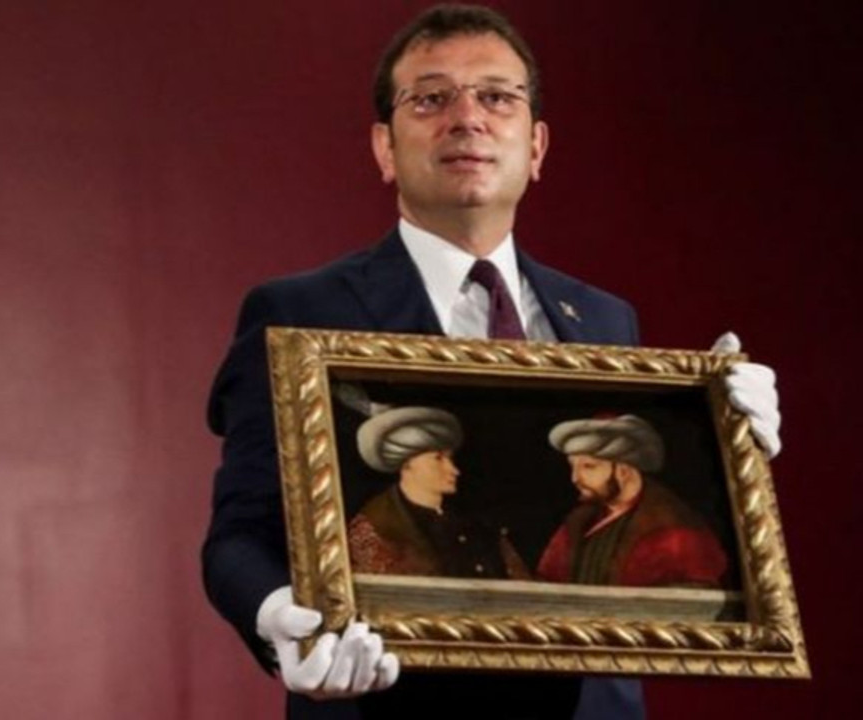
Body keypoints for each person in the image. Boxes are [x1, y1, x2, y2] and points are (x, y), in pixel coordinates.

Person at [201, 4, 783, 719]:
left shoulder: (605, 320)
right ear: (384, 148)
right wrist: (282, 622)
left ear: (536, 146)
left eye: (497, 97)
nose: (467, 118)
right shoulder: (298, 314)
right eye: (431, 98)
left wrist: (719, 447)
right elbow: (239, 535)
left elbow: (631, 519)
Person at [536, 414, 729, 588]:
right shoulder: (579, 522)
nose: (575, 478)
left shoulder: (675, 530)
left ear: (623, 471)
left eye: (588, 466)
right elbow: (548, 584)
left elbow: (694, 596)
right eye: (573, 467)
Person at [348, 405, 531, 580]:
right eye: (438, 459)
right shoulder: (374, 527)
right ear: (407, 465)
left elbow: (521, 585)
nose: (454, 470)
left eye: (450, 459)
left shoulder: (474, 522)